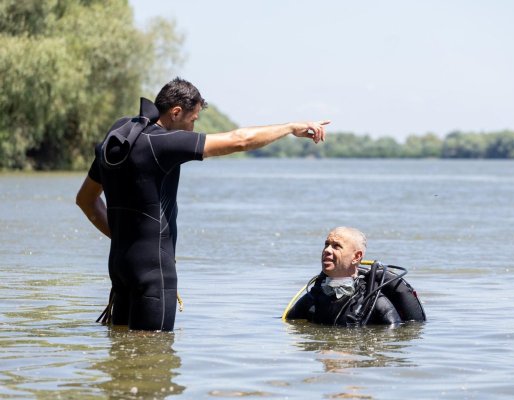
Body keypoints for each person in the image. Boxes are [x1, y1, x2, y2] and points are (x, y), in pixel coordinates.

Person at [76, 77, 329, 331]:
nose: (193, 127)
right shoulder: (162, 142)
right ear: (176, 112)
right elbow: (239, 140)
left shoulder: (118, 137)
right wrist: (290, 128)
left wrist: (123, 236)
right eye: (193, 119)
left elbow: (85, 200)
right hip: (154, 272)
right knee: (154, 358)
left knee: (122, 357)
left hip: (120, 267)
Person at [284, 227, 426, 326]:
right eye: (326, 244)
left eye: (336, 246)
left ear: (356, 256)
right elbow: (286, 326)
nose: (327, 250)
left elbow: (396, 336)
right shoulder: (313, 298)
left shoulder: (374, 301)